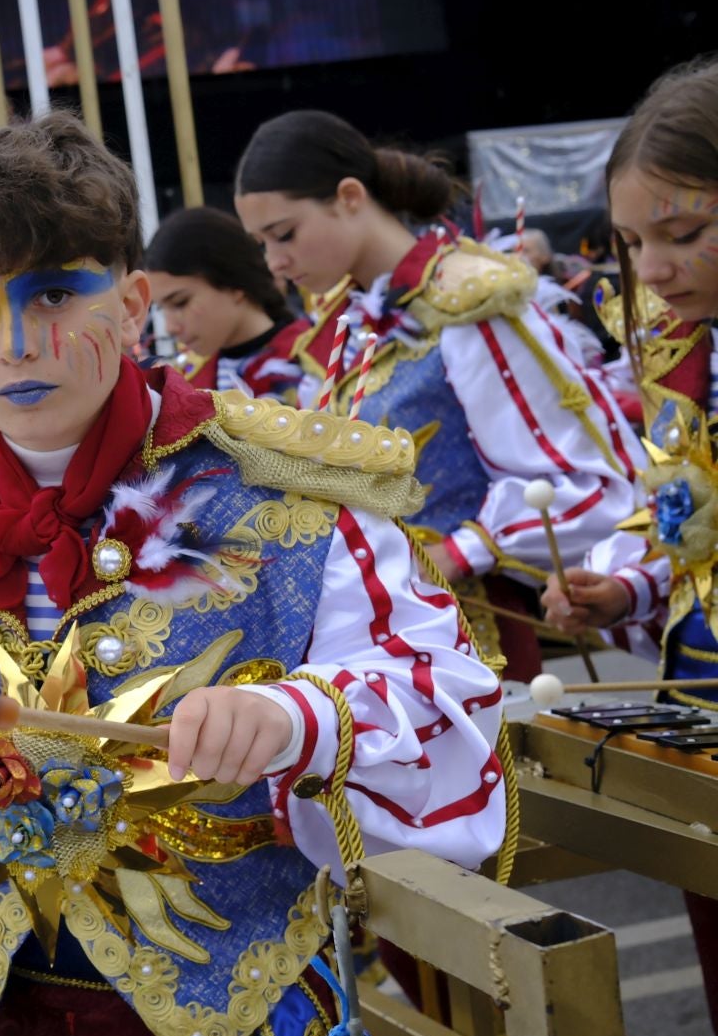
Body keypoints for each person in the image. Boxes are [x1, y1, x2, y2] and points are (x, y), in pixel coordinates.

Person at [0, 111, 507, 1036]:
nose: (19, 342)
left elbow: (441, 694)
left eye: (58, 295)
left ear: (133, 298)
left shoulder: (278, 487)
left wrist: (300, 714)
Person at [234, 110, 643, 681]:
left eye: (284, 235)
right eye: (261, 244)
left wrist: (454, 554)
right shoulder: (344, 325)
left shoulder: (471, 304)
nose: (275, 263)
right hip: (382, 637)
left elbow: (575, 478)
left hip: (475, 639)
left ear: (350, 197)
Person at [540, 58, 718, 1036]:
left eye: (684, 233)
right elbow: (682, 510)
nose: (648, 271)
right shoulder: (675, 349)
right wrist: (628, 582)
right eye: (628, 243)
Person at [146, 205, 312, 401]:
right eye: (161, 308)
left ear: (233, 284)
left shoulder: (312, 361)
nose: (170, 327)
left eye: (181, 303)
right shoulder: (186, 380)